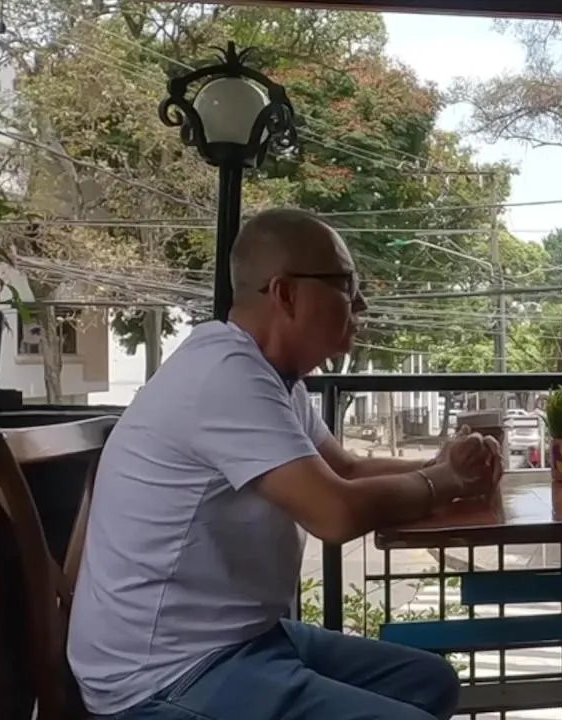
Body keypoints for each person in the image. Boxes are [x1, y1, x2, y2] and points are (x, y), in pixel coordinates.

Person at [68, 208, 503, 720]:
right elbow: (334, 512)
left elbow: (345, 469)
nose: (361, 304)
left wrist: (441, 463)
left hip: (239, 641)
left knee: (428, 683)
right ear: (286, 293)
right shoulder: (225, 373)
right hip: (163, 674)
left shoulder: (274, 377)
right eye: (346, 285)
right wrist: (443, 481)